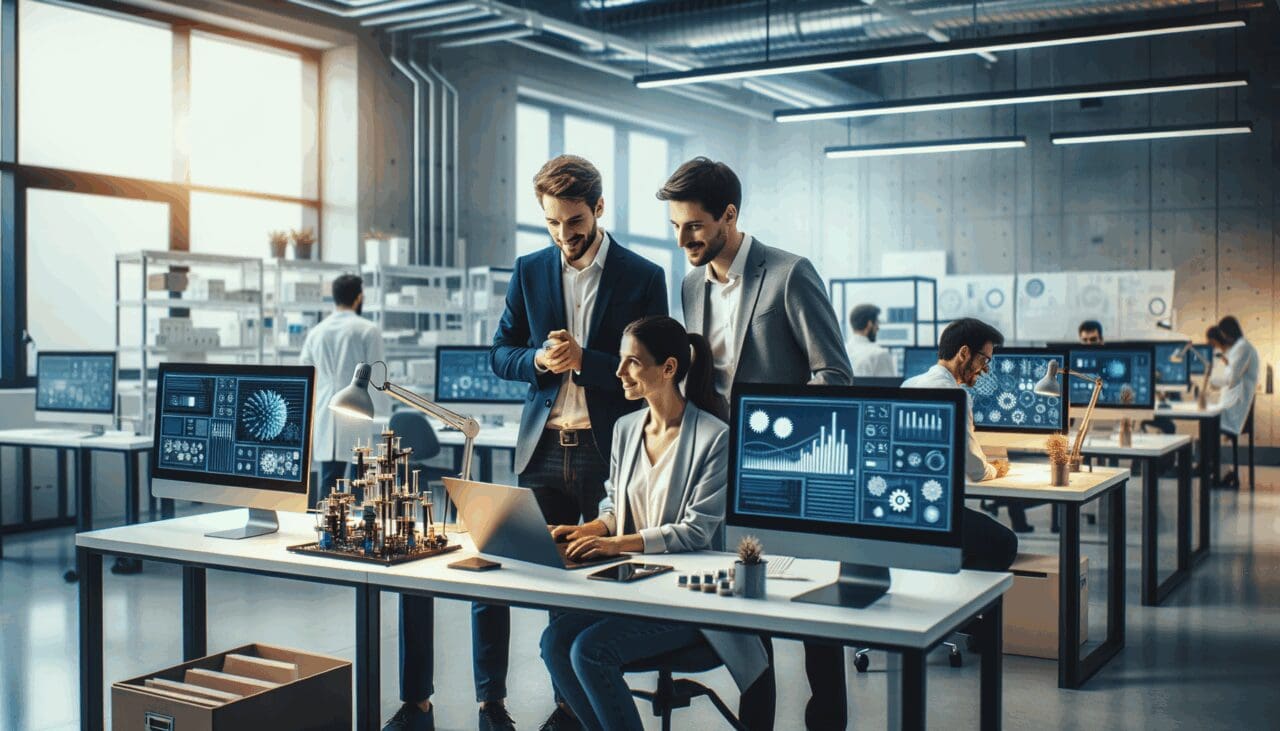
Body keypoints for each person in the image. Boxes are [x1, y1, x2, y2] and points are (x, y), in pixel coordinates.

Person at [384, 155, 669, 731]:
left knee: (591, 576)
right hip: (543, 446)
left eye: (575, 221)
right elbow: (499, 353)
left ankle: (571, 707)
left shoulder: (642, 276)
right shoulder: (531, 269)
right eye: (553, 223)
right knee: (502, 568)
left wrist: (585, 361)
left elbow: (656, 371)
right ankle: (492, 703)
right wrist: (539, 359)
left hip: (609, 447)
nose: (565, 235)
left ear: (599, 209)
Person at [660, 157, 852, 730]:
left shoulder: (790, 273)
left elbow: (833, 376)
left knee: (815, 613)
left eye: (693, 225)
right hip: (720, 469)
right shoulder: (692, 284)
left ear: (729, 215)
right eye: (675, 227)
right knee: (749, 611)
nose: (683, 239)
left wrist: (779, 441)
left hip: (789, 470)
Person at [539, 316, 769, 731]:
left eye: (631, 362)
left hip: (692, 602)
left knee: (589, 651)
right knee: (554, 642)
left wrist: (616, 545)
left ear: (668, 368)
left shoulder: (715, 437)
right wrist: (590, 530)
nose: (618, 371)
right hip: (637, 590)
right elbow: (615, 506)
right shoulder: (626, 428)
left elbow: (696, 531)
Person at [901, 318, 1020, 570]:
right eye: (984, 359)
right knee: (1004, 542)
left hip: (903, 509)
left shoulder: (908, 385)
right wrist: (996, 469)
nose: (986, 369)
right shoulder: (956, 395)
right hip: (933, 513)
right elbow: (975, 470)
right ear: (964, 353)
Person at [299, 273, 386, 509]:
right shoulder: (367, 329)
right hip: (359, 406)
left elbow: (306, 374)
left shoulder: (317, 332)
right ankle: (359, 533)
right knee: (361, 480)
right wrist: (381, 416)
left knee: (329, 481)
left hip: (326, 408)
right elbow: (377, 376)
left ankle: (325, 533)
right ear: (359, 298)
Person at [1210, 316, 1260, 487]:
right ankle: (1222, 471)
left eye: (1224, 334)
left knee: (1208, 426)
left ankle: (1221, 472)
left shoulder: (1244, 348)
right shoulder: (1239, 348)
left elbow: (1231, 378)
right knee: (1208, 428)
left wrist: (1221, 370)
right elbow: (1228, 375)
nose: (1224, 338)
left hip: (1236, 407)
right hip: (1231, 403)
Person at [846, 304, 896, 378]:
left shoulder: (842, 352)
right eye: (877, 323)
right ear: (870, 324)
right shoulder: (879, 354)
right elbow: (889, 387)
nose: (878, 328)